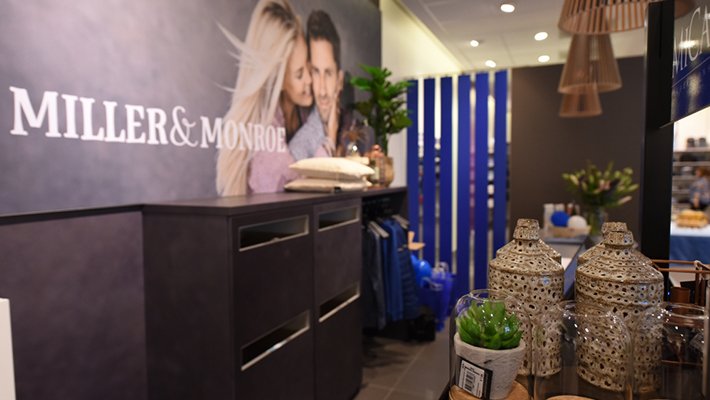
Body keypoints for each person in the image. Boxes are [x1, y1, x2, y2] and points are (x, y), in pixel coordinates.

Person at [216, 0, 312, 196]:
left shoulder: (296, 116)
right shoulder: (267, 146)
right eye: (299, 74)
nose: (310, 79)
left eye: (309, 66)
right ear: (278, 79)